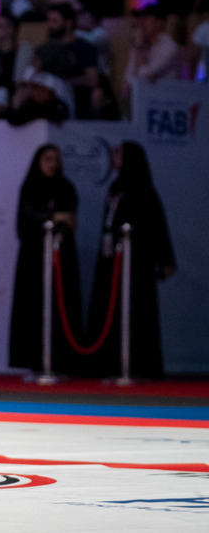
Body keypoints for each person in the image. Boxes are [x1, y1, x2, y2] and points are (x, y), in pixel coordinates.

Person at [83, 142, 175, 379]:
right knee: (110, 310)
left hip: (136, 264)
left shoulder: (143, 188)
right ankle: (110, 364)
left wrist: (165, 259)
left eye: (118, 153)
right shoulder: (114, 187)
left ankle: (138, 365)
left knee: (136, 312)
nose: (113, 157)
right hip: (111, 261)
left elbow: (157, 225)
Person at [8, 145, 83, 376]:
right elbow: (26, 219)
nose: (53, 163)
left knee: (61, 306)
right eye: (48, 158)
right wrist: (52, 217)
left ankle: (62, 362)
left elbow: (70, 218)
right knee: (33, 309)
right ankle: (35, 362)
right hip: (34, 260)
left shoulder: (66, 187)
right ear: (39, 161)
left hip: (61, 259)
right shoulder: (30, 186)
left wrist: (57, 220)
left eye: (56, 159)